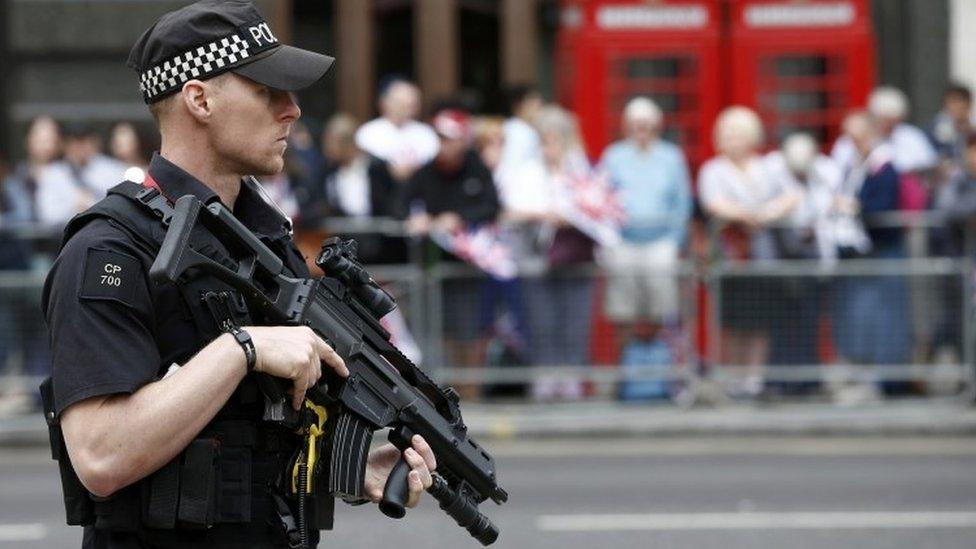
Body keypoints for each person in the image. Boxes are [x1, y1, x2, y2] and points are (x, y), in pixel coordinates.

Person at [42, 2, 436, 548]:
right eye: (267, 90)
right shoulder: (109, 248)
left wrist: (351, 469)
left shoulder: (269, 243)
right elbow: (101, 456)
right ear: (200, 98)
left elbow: (253, 436)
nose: (292, 110)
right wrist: (240, 349)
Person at [397, 108, 501, 398]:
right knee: (438, 330)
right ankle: (444, 393)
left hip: (468, 268)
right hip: (433, 266)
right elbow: (400, 204)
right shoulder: (426, 172)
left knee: (469, 331)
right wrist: (416, 219)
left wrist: (459, 218)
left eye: (449, 138)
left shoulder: (477, 169)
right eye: (440, 138)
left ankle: (470, 390)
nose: (444, 144)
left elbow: (491, 207)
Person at [698, 106, 801, 397]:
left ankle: (755, 377)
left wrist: (766, 213)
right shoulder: (713, 169)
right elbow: (713, 203)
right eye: (728, 133)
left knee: (760, 318)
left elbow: (793, 195)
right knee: (733, 319)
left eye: (739, 133)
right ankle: (733, 375)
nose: (733, 139)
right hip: (731, 255)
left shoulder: (770, 166)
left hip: (763, 255)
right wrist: (748, 215)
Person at [598, 97, 691, 367]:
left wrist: (675, 242)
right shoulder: (613, 156)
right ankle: (624, 373)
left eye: (648, 124)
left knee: (662, 309)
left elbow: (681, 203)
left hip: (661, 243)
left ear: (658, 125)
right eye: (637, 123)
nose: (642, 129)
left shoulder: (672, 157)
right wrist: (609, 241)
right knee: (622, 311)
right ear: (626, 126)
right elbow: (602, 198)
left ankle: (663, 372)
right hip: (624, 243)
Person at [830, 112, 912, 398]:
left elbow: (881, 207)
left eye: (856, 136)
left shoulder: (883, 166)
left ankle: (888, 379)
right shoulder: (854, 165)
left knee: (885, 316)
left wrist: (853, 206)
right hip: (860, 252)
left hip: (883, 250)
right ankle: (863, 375)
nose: (851, 142)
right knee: (860, 316)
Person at [831, 86, 937, 176]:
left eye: (894, 120)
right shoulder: (851, 140)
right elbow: (838, 170)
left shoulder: (912, 136)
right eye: (885, 120)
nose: (889, 125)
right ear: (874, 116)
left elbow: (928, 164)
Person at [36, 122, 126, 225]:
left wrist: (92, 206)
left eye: (84, 141)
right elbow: (47, 216)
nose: (80, 147)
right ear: (65, 145)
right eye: (75, 142)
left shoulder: (112, 169)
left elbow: (121, 208)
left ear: (94, 142)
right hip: (65, 235)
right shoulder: (53, 174)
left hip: (104, 231)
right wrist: (74, 208)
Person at [355, 78, 439, 184]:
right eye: (401, 103)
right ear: (385, 103)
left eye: (412, 104)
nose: (407, 109)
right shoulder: (367, 133)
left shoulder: (427, 133)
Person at [496, 84, 543, 185]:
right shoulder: (516, 131)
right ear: (518, 106)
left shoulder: (525, 129)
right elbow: (511, 166)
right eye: (533, 103)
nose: (538, 107)